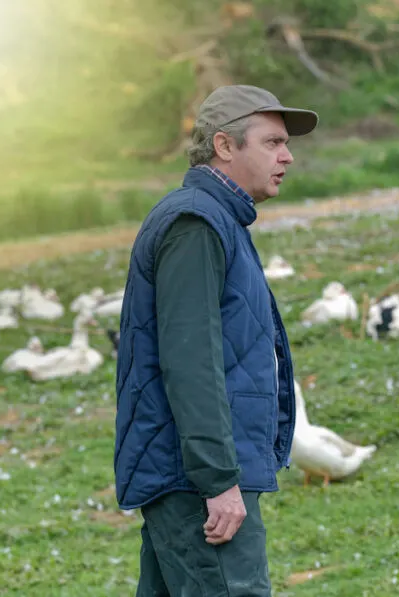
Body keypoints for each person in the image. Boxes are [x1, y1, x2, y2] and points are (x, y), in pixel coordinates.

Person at [112, 85, 318, 596]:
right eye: (272, 143)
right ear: (225, 147)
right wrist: (218, 480)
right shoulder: (196, 224)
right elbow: (190, 363)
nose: (287, 156)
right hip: (196, 483)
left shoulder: (218, 219)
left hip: (193, 476)